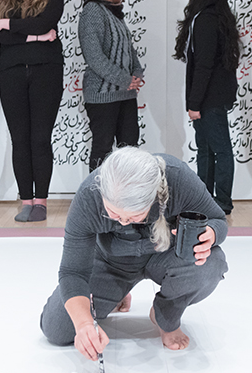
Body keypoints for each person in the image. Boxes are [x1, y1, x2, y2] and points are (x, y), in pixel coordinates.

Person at [40, 146, 228, 357]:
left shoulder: (178, 179)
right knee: (57, 329)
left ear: (153, 198)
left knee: (211, 264)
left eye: (133, 217)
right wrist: (84, 324)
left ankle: (165, 315)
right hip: (112, 263)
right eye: (113, 214)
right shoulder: (89, 196)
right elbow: (73, 272)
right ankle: (115, 291)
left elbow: (218, 220)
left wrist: (211, 233)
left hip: (168, 255)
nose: (122, 222)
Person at [0, 0, 63, 222]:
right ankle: (26, 202)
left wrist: (7, 23)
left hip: (47, 71)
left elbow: (43, 22)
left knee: (40, 138)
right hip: (12, 72)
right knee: (19, 139)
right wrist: (36, 38)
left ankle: (41, 202)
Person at [173, 0, 241, 214]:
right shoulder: (217, 18)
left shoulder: (205, 20)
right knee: (207, 149)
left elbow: (203, 65)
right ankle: (208, 200)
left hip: (208, 98)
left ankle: (221, 201)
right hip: (214, 96)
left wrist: (194, 103)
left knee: (217, 150)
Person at [78, 0, 144, 172]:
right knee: (103, 150)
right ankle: (98, 192)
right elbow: (94, 57)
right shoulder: (92, 11)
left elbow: (128, 48)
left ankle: (128, 192)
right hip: (102, 96)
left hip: (126, 94)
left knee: (130, 149)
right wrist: (125, 80)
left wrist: (137, 73)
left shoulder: (114, 13)